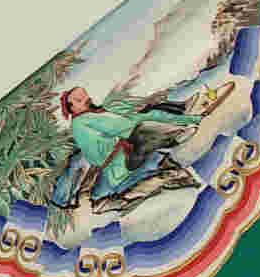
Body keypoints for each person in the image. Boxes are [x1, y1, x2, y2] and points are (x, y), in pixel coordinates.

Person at [48, 80, 237, 211]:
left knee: (149, 115)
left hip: (119, 158)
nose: (87, 100)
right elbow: (120, 127)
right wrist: (141, 118)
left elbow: (118, 124)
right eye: (80, 100)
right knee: (147, 123)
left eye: (85, 96)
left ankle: (184, 116)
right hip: (120, 162)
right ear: (72, 108)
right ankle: (185, 124)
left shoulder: (86, 118)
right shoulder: (83, 121)